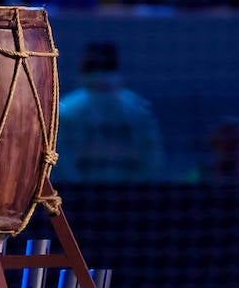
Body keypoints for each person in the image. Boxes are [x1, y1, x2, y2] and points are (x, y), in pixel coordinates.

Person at [53, 41, 165, 183]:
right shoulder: (138, 109)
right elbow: (152, 159)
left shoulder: (66, 110)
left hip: (82, 198)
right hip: (128, 197)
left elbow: (61, 164)